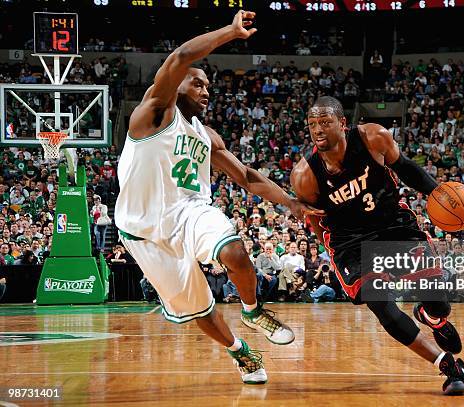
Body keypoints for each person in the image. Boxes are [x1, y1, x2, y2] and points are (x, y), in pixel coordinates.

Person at [114, 11, 322, 385]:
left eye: (208, 87)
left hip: (191, 213)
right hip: (142, 232)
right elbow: (179, 58)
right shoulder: (153, 113)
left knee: (235, 252)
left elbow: (246, 176)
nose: (206, 92)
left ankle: (253, 310)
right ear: (176, 86)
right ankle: (238, 350)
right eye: (198, 84)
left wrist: (291, 204)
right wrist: (230, 31)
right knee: (197, 310)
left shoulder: (207, 135)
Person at [290, 96, 464, 395]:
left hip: (393, 225)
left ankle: (432, 317)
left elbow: (406, 168)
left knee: (437, 300)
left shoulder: (373, 136)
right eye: (312, 124)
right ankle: (448, 365)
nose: (318, 130)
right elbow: (317, 224)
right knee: (381, 304)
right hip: (351, 241)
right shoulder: (305, 176)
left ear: (343, 124)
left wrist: (439, 194)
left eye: (325, 122)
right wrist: (338, 252)